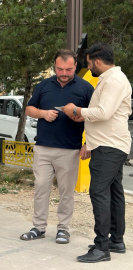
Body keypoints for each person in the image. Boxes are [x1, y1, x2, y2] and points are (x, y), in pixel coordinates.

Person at [63, 43, 132, 263]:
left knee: (99, 192)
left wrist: (76, 110)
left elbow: (103, 113)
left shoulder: (113, 81)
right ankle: (116, 240)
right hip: (108, 144)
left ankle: (102, 247)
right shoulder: (112, 80)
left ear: (98, 61)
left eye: (90, 62)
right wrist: (89, 141)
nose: (89, 66)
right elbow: (105, 116)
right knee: (114, 192)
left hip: (110, 147)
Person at [19, 49, 94, 244]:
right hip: (43, 147)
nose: (64, 73)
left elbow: (93, 118)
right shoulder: (43, 85)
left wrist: (88, 141)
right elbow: (29, 109)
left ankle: (63, 229)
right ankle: (38, 227)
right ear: (54, 66)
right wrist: (43, 114)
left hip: (69, 149)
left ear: (75, 66)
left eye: (68, 69)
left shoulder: (85, 88)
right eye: (60, 69)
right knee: (41, 187)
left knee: (66, 191)